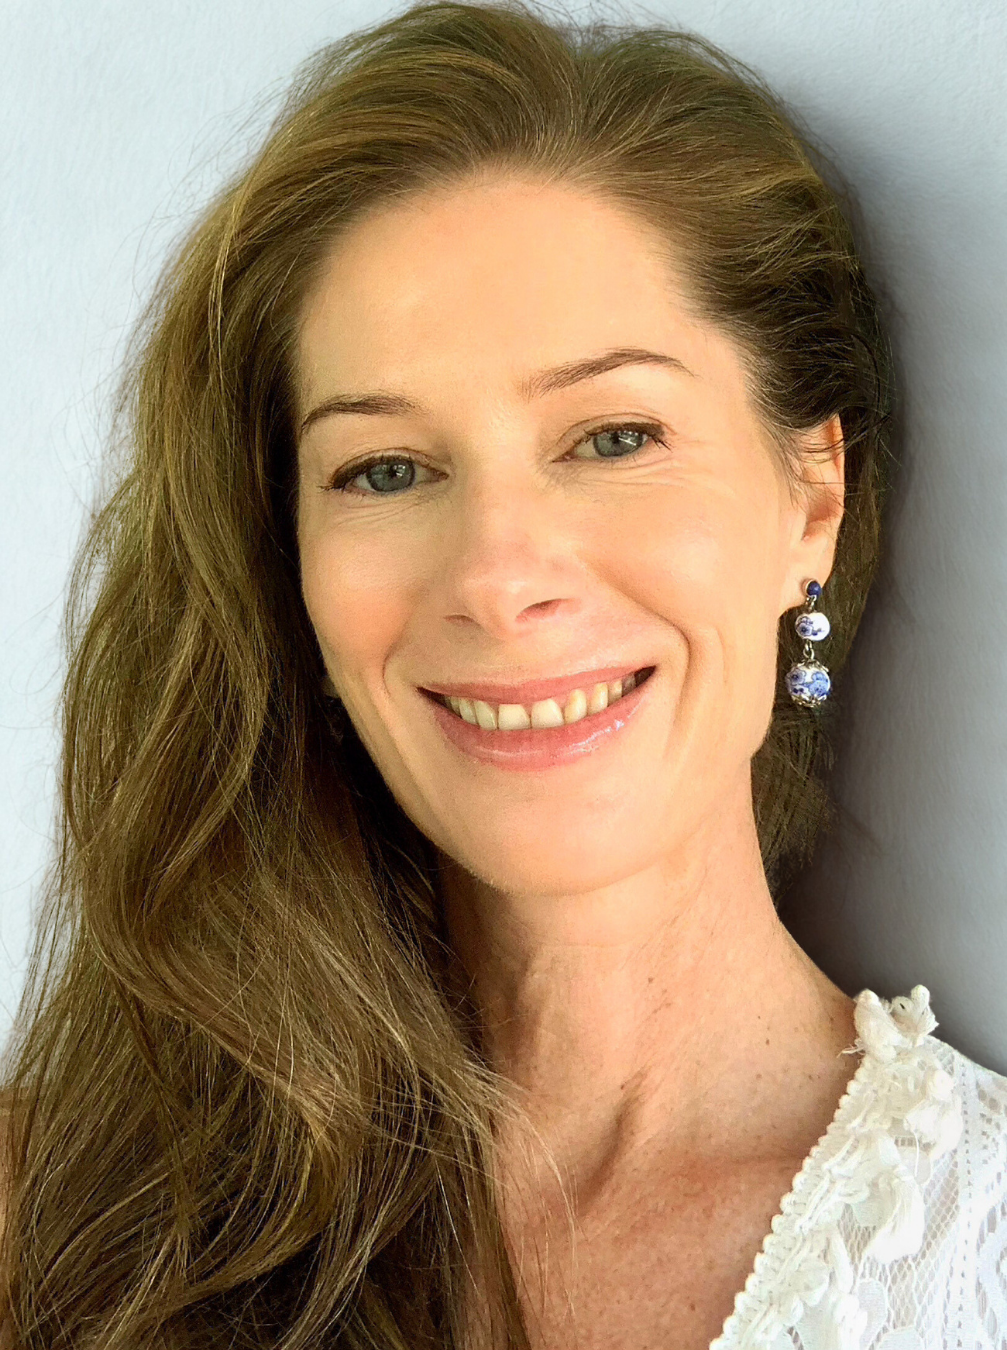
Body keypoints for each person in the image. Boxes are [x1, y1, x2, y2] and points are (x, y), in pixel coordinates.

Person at [1, 2, 1005, 1346]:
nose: (498, 571)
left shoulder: (976, 1254)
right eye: (388, 468)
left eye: (611, 435)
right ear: (287, 569)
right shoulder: (65, 1210)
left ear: (809, 499)